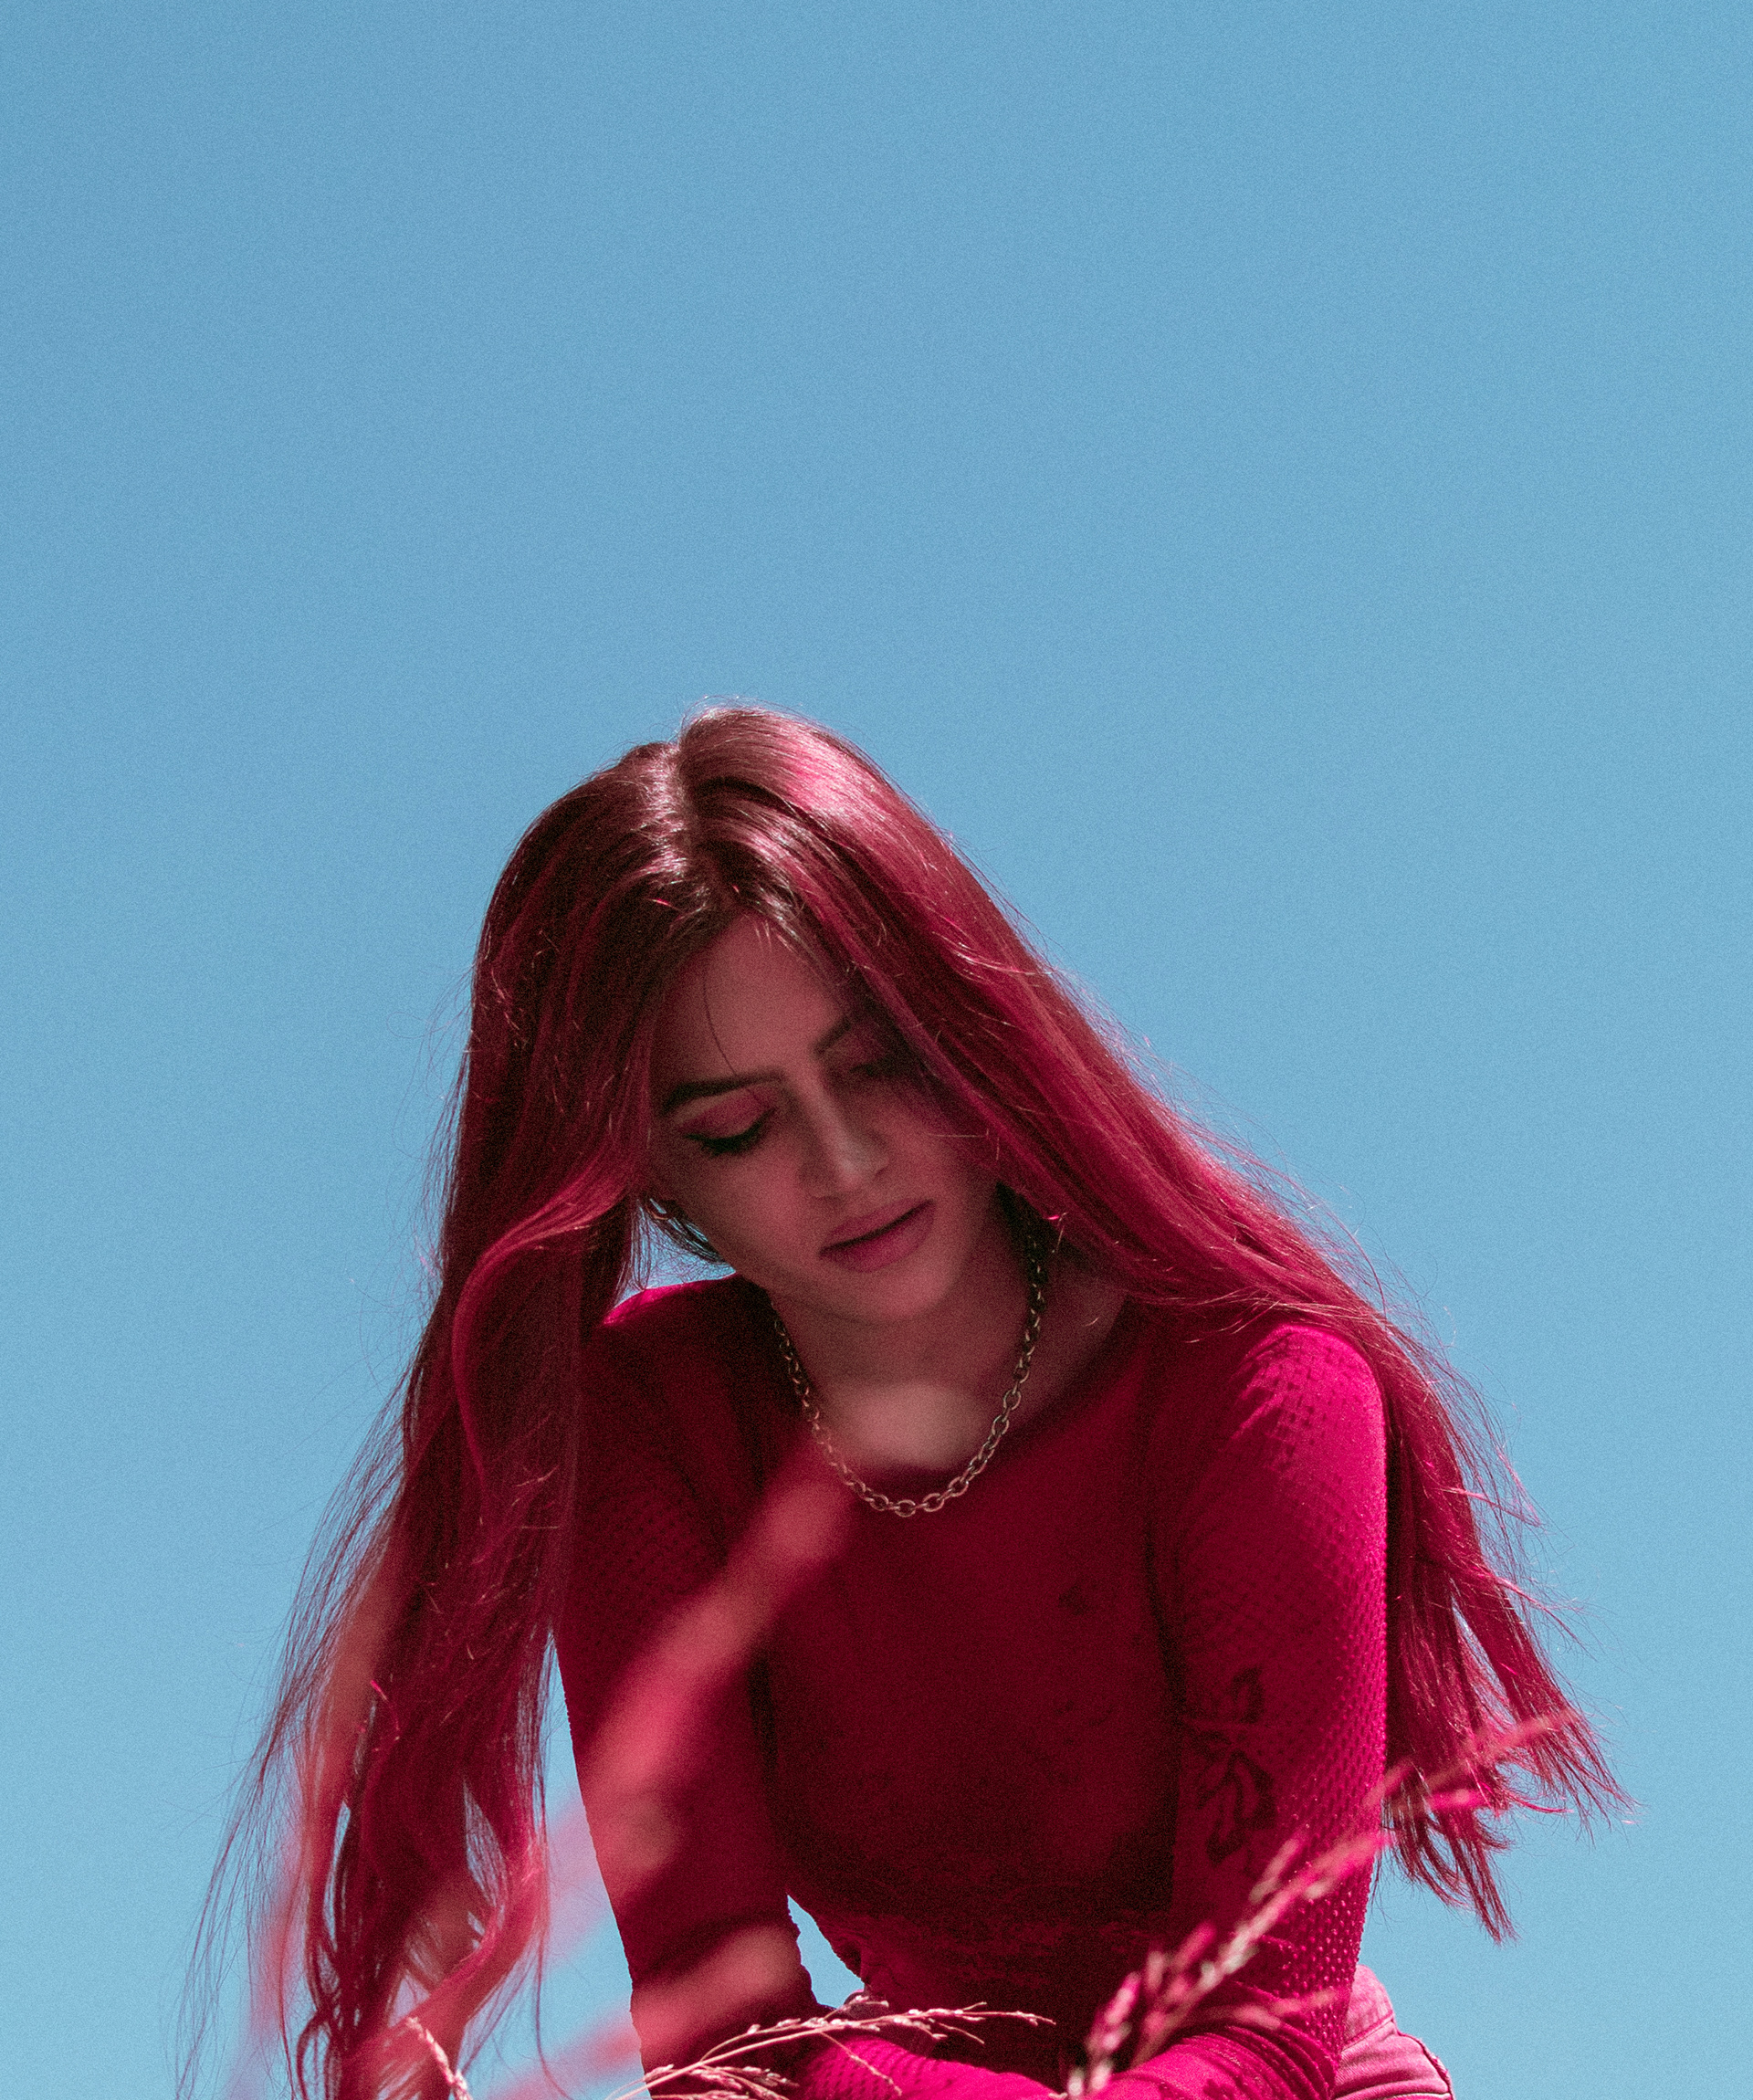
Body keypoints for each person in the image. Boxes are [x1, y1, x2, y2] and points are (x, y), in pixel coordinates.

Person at [204, 708, 1618, 2100]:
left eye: (878, 1059)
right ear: (644, 1172)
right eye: (737, 1126)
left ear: (975, 1024)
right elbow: (715, 2020)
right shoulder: (645, 1427)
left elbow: (1268, 2038)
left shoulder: (1262, 1390)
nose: (845, 1161)